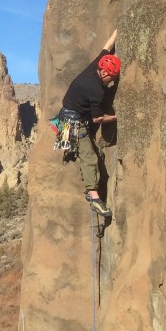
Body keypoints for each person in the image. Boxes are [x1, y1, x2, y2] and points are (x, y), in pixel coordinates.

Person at [59, 30, 120, 217]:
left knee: (96, 153)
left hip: (67, 118)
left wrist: (118, 30)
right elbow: (98, 119)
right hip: (73, 123)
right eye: (111, 76)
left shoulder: (96, 65)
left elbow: (107, 46)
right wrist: (117, 117)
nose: (112, 80)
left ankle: (71, 151)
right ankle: (94, 198)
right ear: (103, 72)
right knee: (90, 158)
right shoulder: (96, 90)